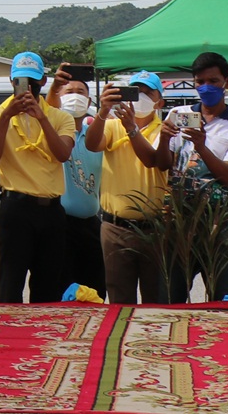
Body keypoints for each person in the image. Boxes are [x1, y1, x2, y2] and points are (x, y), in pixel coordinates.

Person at [0, 51, 75, 302]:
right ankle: (9, 326)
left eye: (33, 83)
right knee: (10, 285)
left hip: (51, 210)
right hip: (15, 208)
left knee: (48, 287)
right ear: (11, 81)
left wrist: (42, 118)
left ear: (43, 81)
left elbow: (63, 154)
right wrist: (6, 117)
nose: (27, 89)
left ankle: (44, 325)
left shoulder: (60, 117)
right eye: (21, 82)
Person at [163, 51, 228, 302]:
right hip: (180, 227)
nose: (206, 87)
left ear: (227, 82)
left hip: (220, 231)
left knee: (221, 299)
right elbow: (163, 164)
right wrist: (163, 137)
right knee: (172, 298)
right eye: (200, 81)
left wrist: (201, 146)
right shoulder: (179, 115)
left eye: (213, 81)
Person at [87, 71, 173, 303]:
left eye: (148, 93)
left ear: (159, 102)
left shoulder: (165, 130)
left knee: (156, 299)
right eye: (135, 92)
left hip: (153, 228)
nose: (141, 97)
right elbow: (92, 144)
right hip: (115, 228)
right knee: (119, 299)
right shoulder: (111, 125)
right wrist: (103, 111)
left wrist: (132, 129)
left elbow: (154, 160)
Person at [53, 79, 107, 296]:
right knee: (62, 289)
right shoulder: (53, 134)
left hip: (91, 224)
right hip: (61, 224)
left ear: (89, 100)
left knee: (95, 290)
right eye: (69, 91)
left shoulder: (96, 136)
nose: (74, 96)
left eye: (80, 92)